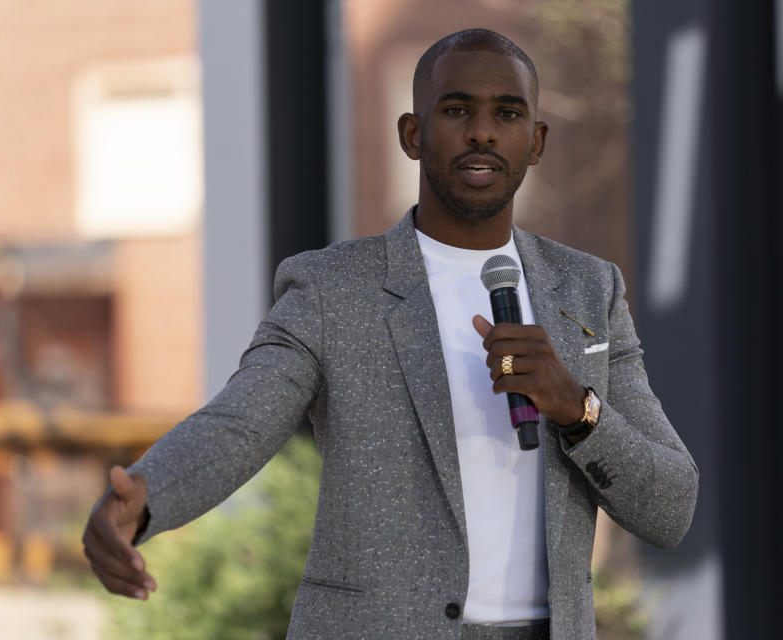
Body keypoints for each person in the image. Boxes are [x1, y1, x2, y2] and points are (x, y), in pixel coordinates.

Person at [82, 28, 698, 640]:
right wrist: (145, 494)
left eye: (507, 114)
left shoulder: (590, 290)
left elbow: (671, 506)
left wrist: (577, 409)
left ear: (535, 141)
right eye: (457, 110)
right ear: (411, 134)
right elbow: (240, 422)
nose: (483, 131)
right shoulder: (331, 289)